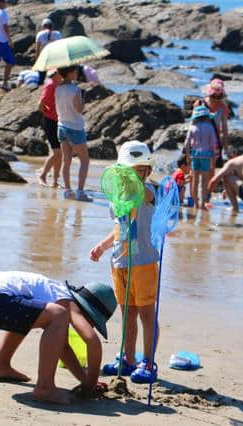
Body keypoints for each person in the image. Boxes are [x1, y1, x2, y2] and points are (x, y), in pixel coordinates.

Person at [0, 271, 116, 404]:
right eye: (94, 322)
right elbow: (93, 341)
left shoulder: (56, 292)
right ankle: (45, 387)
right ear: (88, 311)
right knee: (58, 313)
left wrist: (84, 379)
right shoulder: (69, 304)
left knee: (29, 315)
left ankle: (1, 365)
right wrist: (91, 382)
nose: (91, 326)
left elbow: (62, 347)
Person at [90, 141, 160, 384]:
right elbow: (120, 226)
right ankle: (128, 358)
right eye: (127, 170)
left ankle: (148, 362)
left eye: (138, 169)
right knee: (127, 313)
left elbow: (151, 195)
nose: (131, 174)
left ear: (147, 171)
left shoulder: (149, 191)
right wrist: (102, 245)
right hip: (119, 262)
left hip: (144, 262)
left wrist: (138, 184)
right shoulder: (117, 195)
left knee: (146, 314)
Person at [55, 66, 91, 202]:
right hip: (75, 127)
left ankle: (68, 190)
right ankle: (80, 192)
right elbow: (79, 110)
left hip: (61, 126)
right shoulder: (75, 89)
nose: (77, 73)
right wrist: (83, 99)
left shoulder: (58, 88)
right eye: (75, 71)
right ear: (69, 73)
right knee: (84, 161)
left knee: (67, 160)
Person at [184, 105, 218, 211]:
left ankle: (195, 204)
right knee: (204, 182)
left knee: (194, 181)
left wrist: (188, 156)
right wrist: (213, 159)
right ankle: (203, 204)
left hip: (194, 155)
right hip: (206, 157)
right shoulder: (210, 127)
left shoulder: (193, 127)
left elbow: (186, 144)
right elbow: (213, 144)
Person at [193, 78, 229, 170]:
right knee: (197, 169)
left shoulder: (223, 107)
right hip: (199, 141)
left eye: (219, 96)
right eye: (214, 96)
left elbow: (224, 128)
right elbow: (192, 124)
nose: (216, 99)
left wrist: (225, 147)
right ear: (209, 93)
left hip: (214, 142)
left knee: (211, 168)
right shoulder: (200, 103)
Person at [37, 69, 62, 187]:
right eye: (59, 73)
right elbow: (40, 105)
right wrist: (49, 113)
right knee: (57, 152)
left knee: (59, 153)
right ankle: (42, 175)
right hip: (50, 121)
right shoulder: (50, 85)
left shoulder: (61, 85)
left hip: (60, 121)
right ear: (54, 75)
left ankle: (55, 180)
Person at [35, 18, 62, 84]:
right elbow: (61, 46)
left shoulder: (40, 34)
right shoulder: (58, 33)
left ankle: (41, 87)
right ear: (52, 25)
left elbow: (37, 49)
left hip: (44, 57)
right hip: (56, 57)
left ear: (43, 26)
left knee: (41, 77)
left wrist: (37, 60)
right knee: (56, 76)